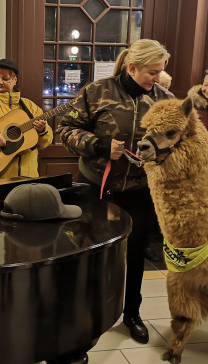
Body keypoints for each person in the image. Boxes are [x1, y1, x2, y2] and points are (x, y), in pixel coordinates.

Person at [57, 39, 174, 345]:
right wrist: (99, 145)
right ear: (132, 67)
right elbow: (65, 130)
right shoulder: (97, 92)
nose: (157, 78)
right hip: (96, 186)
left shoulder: (164, 99)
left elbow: (179, 142)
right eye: (152, 72)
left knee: (135, 254)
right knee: (90, 251)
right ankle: (85, 312)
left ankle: (132, 314)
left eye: (161, 72)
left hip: (139, 191)